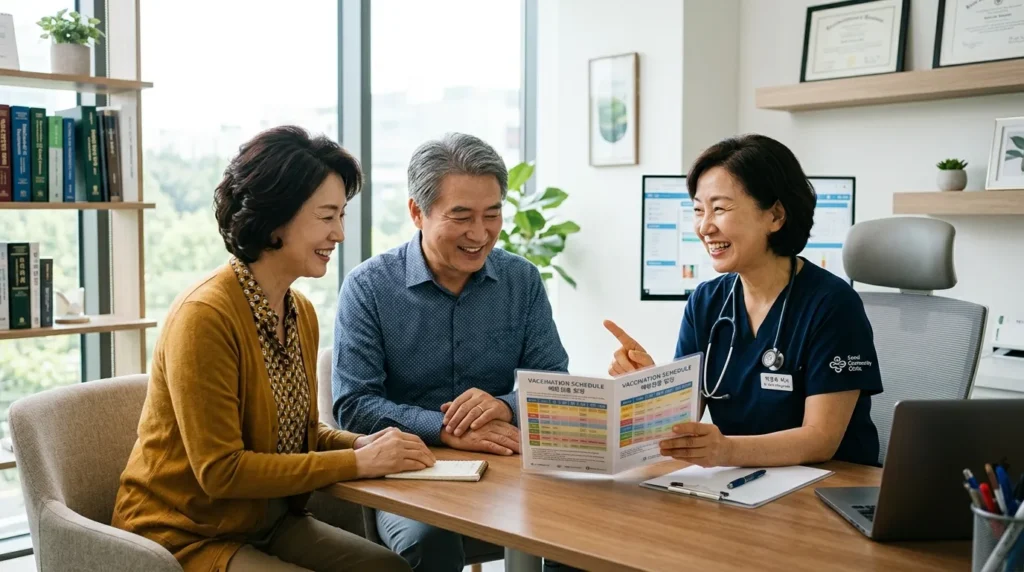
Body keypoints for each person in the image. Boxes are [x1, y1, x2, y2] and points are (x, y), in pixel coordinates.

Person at [111, 126, 435, 572]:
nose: (339, 234)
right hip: (184, 534)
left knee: (389, 569)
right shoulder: (204, 316)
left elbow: (298, 437)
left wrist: (366, 444)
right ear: (276, 217)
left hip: (267, 522)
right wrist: (357, 461)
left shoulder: (299, 311)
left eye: (341, 215)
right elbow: (222, 471)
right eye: (326, 217)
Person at [332, 132, 569, 572]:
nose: (479, 234)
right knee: (428, 541)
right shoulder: (368, 288)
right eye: (461, 217)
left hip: (509, 468)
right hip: (413, 472)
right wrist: (443, 428)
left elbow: (554, 386)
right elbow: (354, 406)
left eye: (492, 214)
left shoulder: (522, 281)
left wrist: (501, 405)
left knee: (578, 534)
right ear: (417, 213)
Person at [605, 134, 883, 468]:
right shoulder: (707, 302)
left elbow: (821, 438)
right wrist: (649, 383)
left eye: (719, 209)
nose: (705, 226)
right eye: (698, 210)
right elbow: (681, 422)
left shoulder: (833, 305)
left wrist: (726, 451)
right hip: (740, 485)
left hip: (829, 489)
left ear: (776, 216)